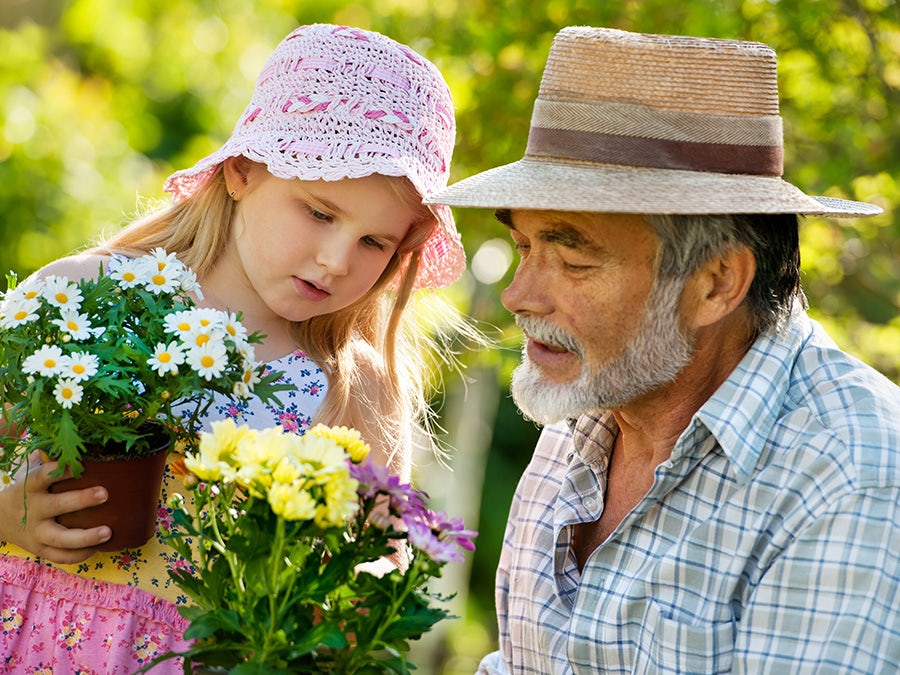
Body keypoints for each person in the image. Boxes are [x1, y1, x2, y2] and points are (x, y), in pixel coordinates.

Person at [426, 26, 900, 674]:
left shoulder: (850, 472)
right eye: (525, 247)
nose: (518, 295)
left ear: (715, 283)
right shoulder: (586, 414)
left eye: (572, 258)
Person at [0, 23, 465, 672]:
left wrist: (331, 593)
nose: (335, 260)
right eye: (320, 213)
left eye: (374, 243)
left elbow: (380, 565)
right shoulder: (84, 294)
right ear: (243, 170)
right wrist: (8, 516)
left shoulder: (350, 383)